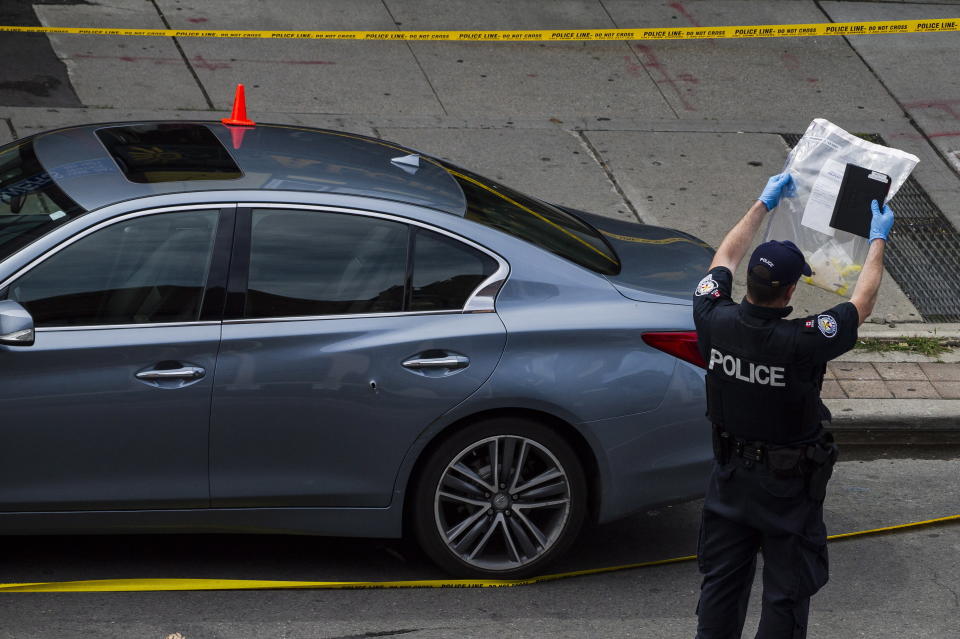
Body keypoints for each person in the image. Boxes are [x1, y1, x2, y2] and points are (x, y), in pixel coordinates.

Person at [691, 172, 895, 639]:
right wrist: (879, 240)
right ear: (789, 292)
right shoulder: (801, 341)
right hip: (788, 489)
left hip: (730, 479)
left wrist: (761, 204)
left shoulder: (711, 317)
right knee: (785, 596)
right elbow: (860, 303)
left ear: (748, 284)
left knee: (720, 588)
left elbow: (723, 257)